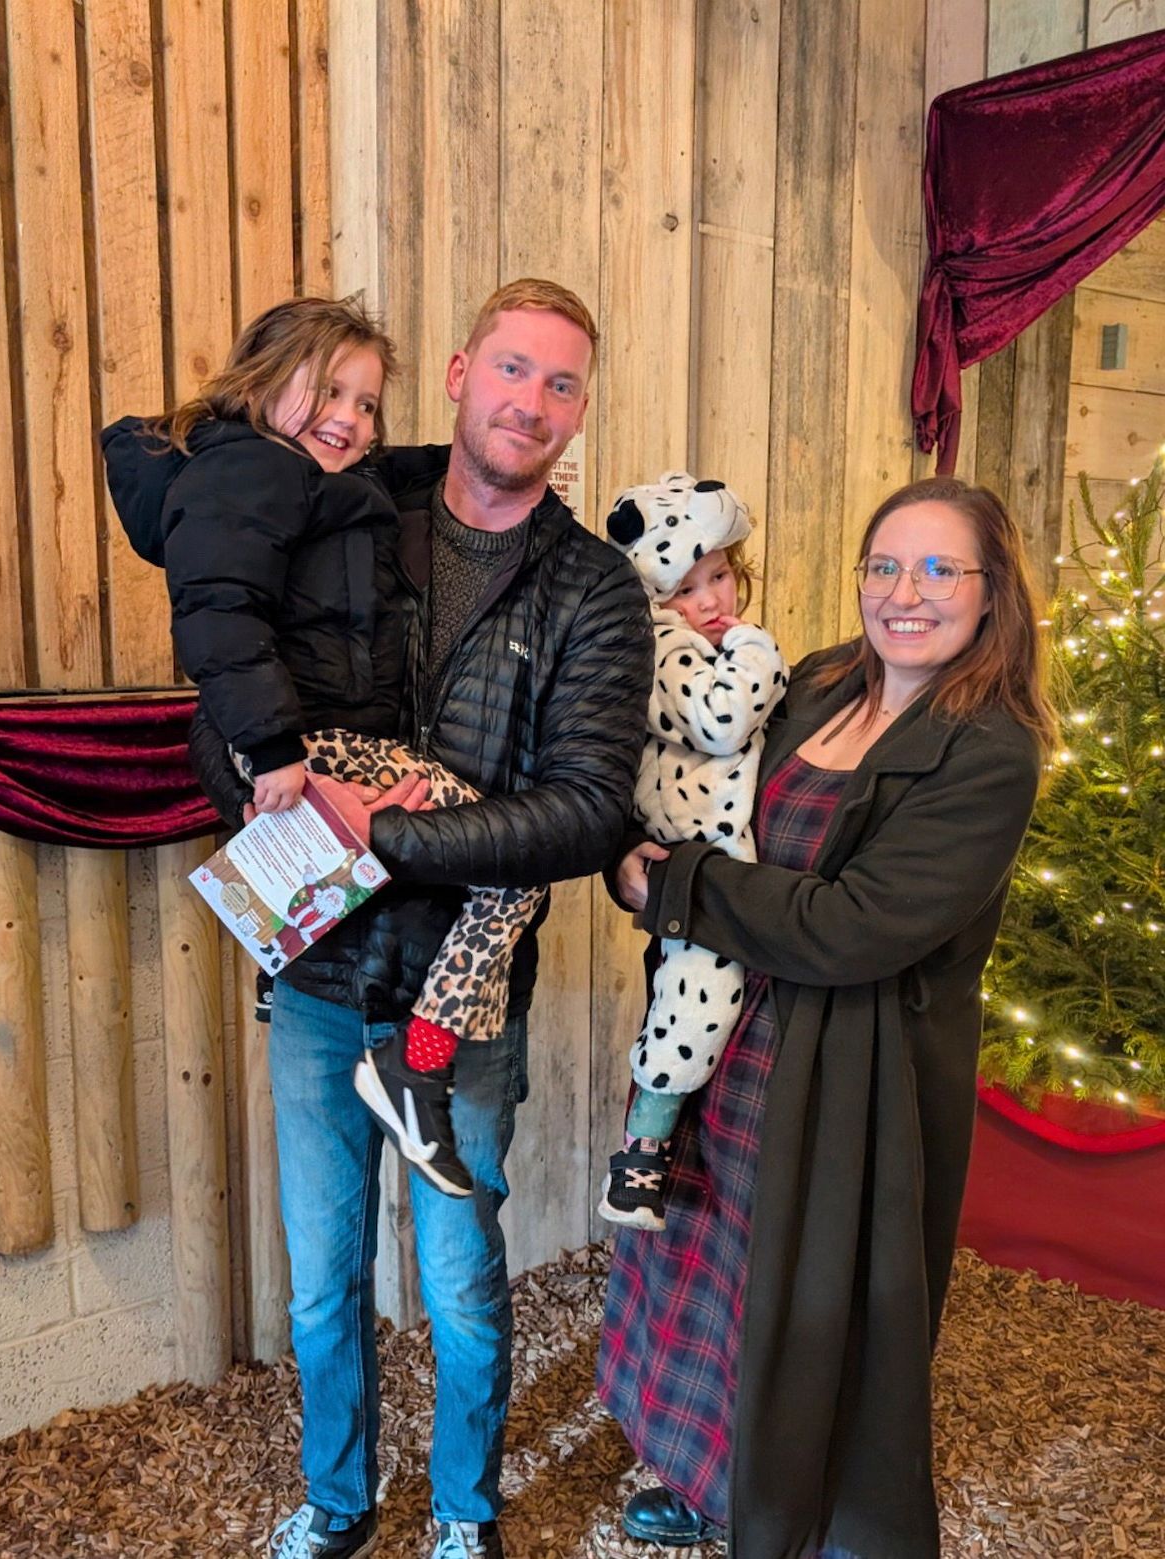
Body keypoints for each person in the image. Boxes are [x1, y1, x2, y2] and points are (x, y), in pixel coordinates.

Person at [185, 279, 653, 1559]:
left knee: (459, 1284)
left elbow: (584, 812)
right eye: (512, 367)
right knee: (322, 1283)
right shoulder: (338, 503)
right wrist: (272, 780)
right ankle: (338, 1500)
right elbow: (223, 704)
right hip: (320, 980)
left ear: (579, 411)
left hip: (463, 1008)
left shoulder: (594, 588)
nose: (531, 401)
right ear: (457, 373)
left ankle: (463, 1512)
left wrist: (378, 831)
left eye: (561, 382)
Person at [598, 476, 1055, 1559]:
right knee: (700, 1267)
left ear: (992, 591)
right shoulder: (815, 680)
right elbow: (704, 787)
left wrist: (675, 884)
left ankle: (792, 1509)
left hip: (846, 1068)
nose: (906, 592)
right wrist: (628, 850)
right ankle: (706, 1476)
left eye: (940, 569)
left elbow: (855, 925)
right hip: (729, 1029)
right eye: (885, 565)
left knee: (799, 1302)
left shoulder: (990, 750)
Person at [102, 294, 550, 1199]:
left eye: (367, 401)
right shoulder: (248, 473)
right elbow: (219, 616)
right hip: (302, 740)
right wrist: (273, 749)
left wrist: (498, 468)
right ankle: (416, 1067)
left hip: (311, 737)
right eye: (328, 391)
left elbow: (392, 469)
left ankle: (394, 1047)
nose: (350, 418)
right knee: (514, 866)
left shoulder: (305, 474)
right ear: (262, 382)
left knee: (492, 870)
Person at [596, 472, 788, 1229]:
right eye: (685, 588)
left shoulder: (698, 644)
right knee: (696, 1000)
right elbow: (722, 719)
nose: (711, 600)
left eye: (721, 576)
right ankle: (639, 1158)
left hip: (714, 860)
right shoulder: (664, 647)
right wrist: (755, 646)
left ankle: (651, 1152)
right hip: (693, 863)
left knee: (696, 996)